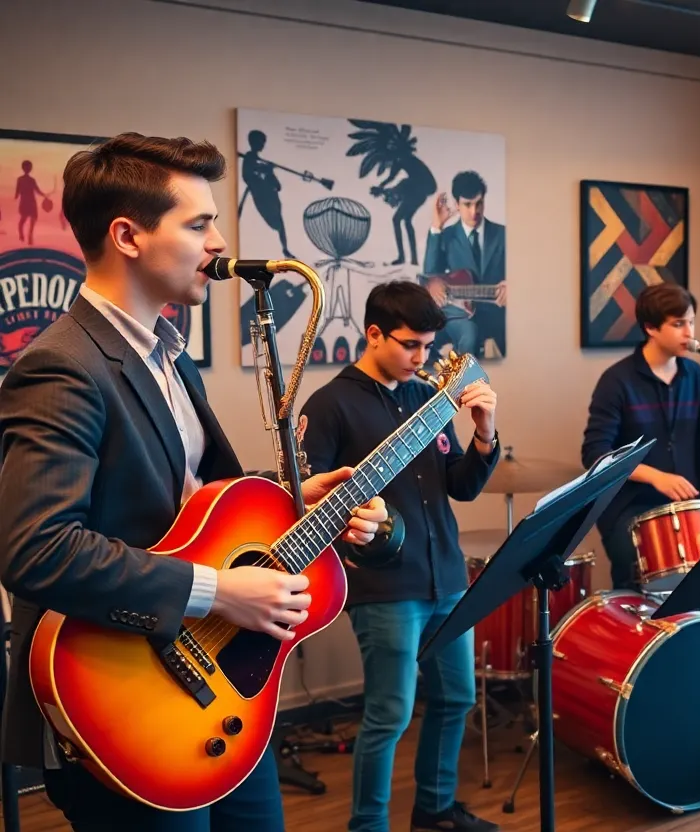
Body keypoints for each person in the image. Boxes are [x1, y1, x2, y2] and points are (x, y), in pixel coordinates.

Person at [0, 132, 388, 831]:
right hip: (127, 707)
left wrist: (301, 504)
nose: (218, 242)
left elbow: (187, 513)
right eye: (199, 222)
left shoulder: (173, 360)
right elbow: (37, 549)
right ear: (127, 236)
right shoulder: (63, 365)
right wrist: (219, 591)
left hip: (214, 694)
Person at [299, 280, 501, 832]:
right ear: (373, 334)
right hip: (386, 586)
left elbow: (458, 484)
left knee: (456, 699)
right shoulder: (330, 404)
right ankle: (368, 826)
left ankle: (434, 812)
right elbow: (301, 502)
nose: (423, 357)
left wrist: (484, 435)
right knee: (388, 715)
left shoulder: (426, 398)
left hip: (446, 576)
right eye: (411, 344)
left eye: (429, 346)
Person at [581, 282, 700, 590]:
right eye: (678, 324)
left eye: (691, 322)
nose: (690, 333)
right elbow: (595, 455)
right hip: (632, 507)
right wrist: (655, 476)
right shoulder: (616, 381)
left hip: (693, 504)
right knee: (639, 592)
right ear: (651, 328)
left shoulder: (697, 377)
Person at [423, 171, 506, 359]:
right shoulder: (446, 236)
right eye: (467, 204)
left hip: (498, 313)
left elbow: (523, 273)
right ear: (457, 204)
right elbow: (430, 274)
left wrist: (512, 285)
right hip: (459, 315)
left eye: (479, 203)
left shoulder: (503, 234)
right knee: (467, 336)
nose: (474, 211)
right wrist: (437, 226)